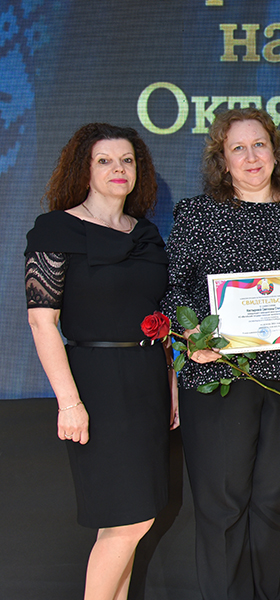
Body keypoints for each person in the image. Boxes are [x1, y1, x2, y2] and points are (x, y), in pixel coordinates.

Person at [162, 107, 280, 600]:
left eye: (259, 144)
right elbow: (171, 290)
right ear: (222, 161)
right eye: (237, 148)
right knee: (222, 507)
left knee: (274, 504)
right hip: (216, 377)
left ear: (275, 151)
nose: (250, 156)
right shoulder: (197, 215)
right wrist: (192, 335)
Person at [25, 123, 177, 600]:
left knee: (126, 520)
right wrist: (69, 403)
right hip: (96, 385)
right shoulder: (56, 229)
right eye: (105, 160)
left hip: (147, 383)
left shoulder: (146, 233)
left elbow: (160, 317)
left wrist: (171, 386)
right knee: (130, 521)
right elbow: (42, 323)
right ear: (84, 170)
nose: (118, 169)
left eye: (127, 160)